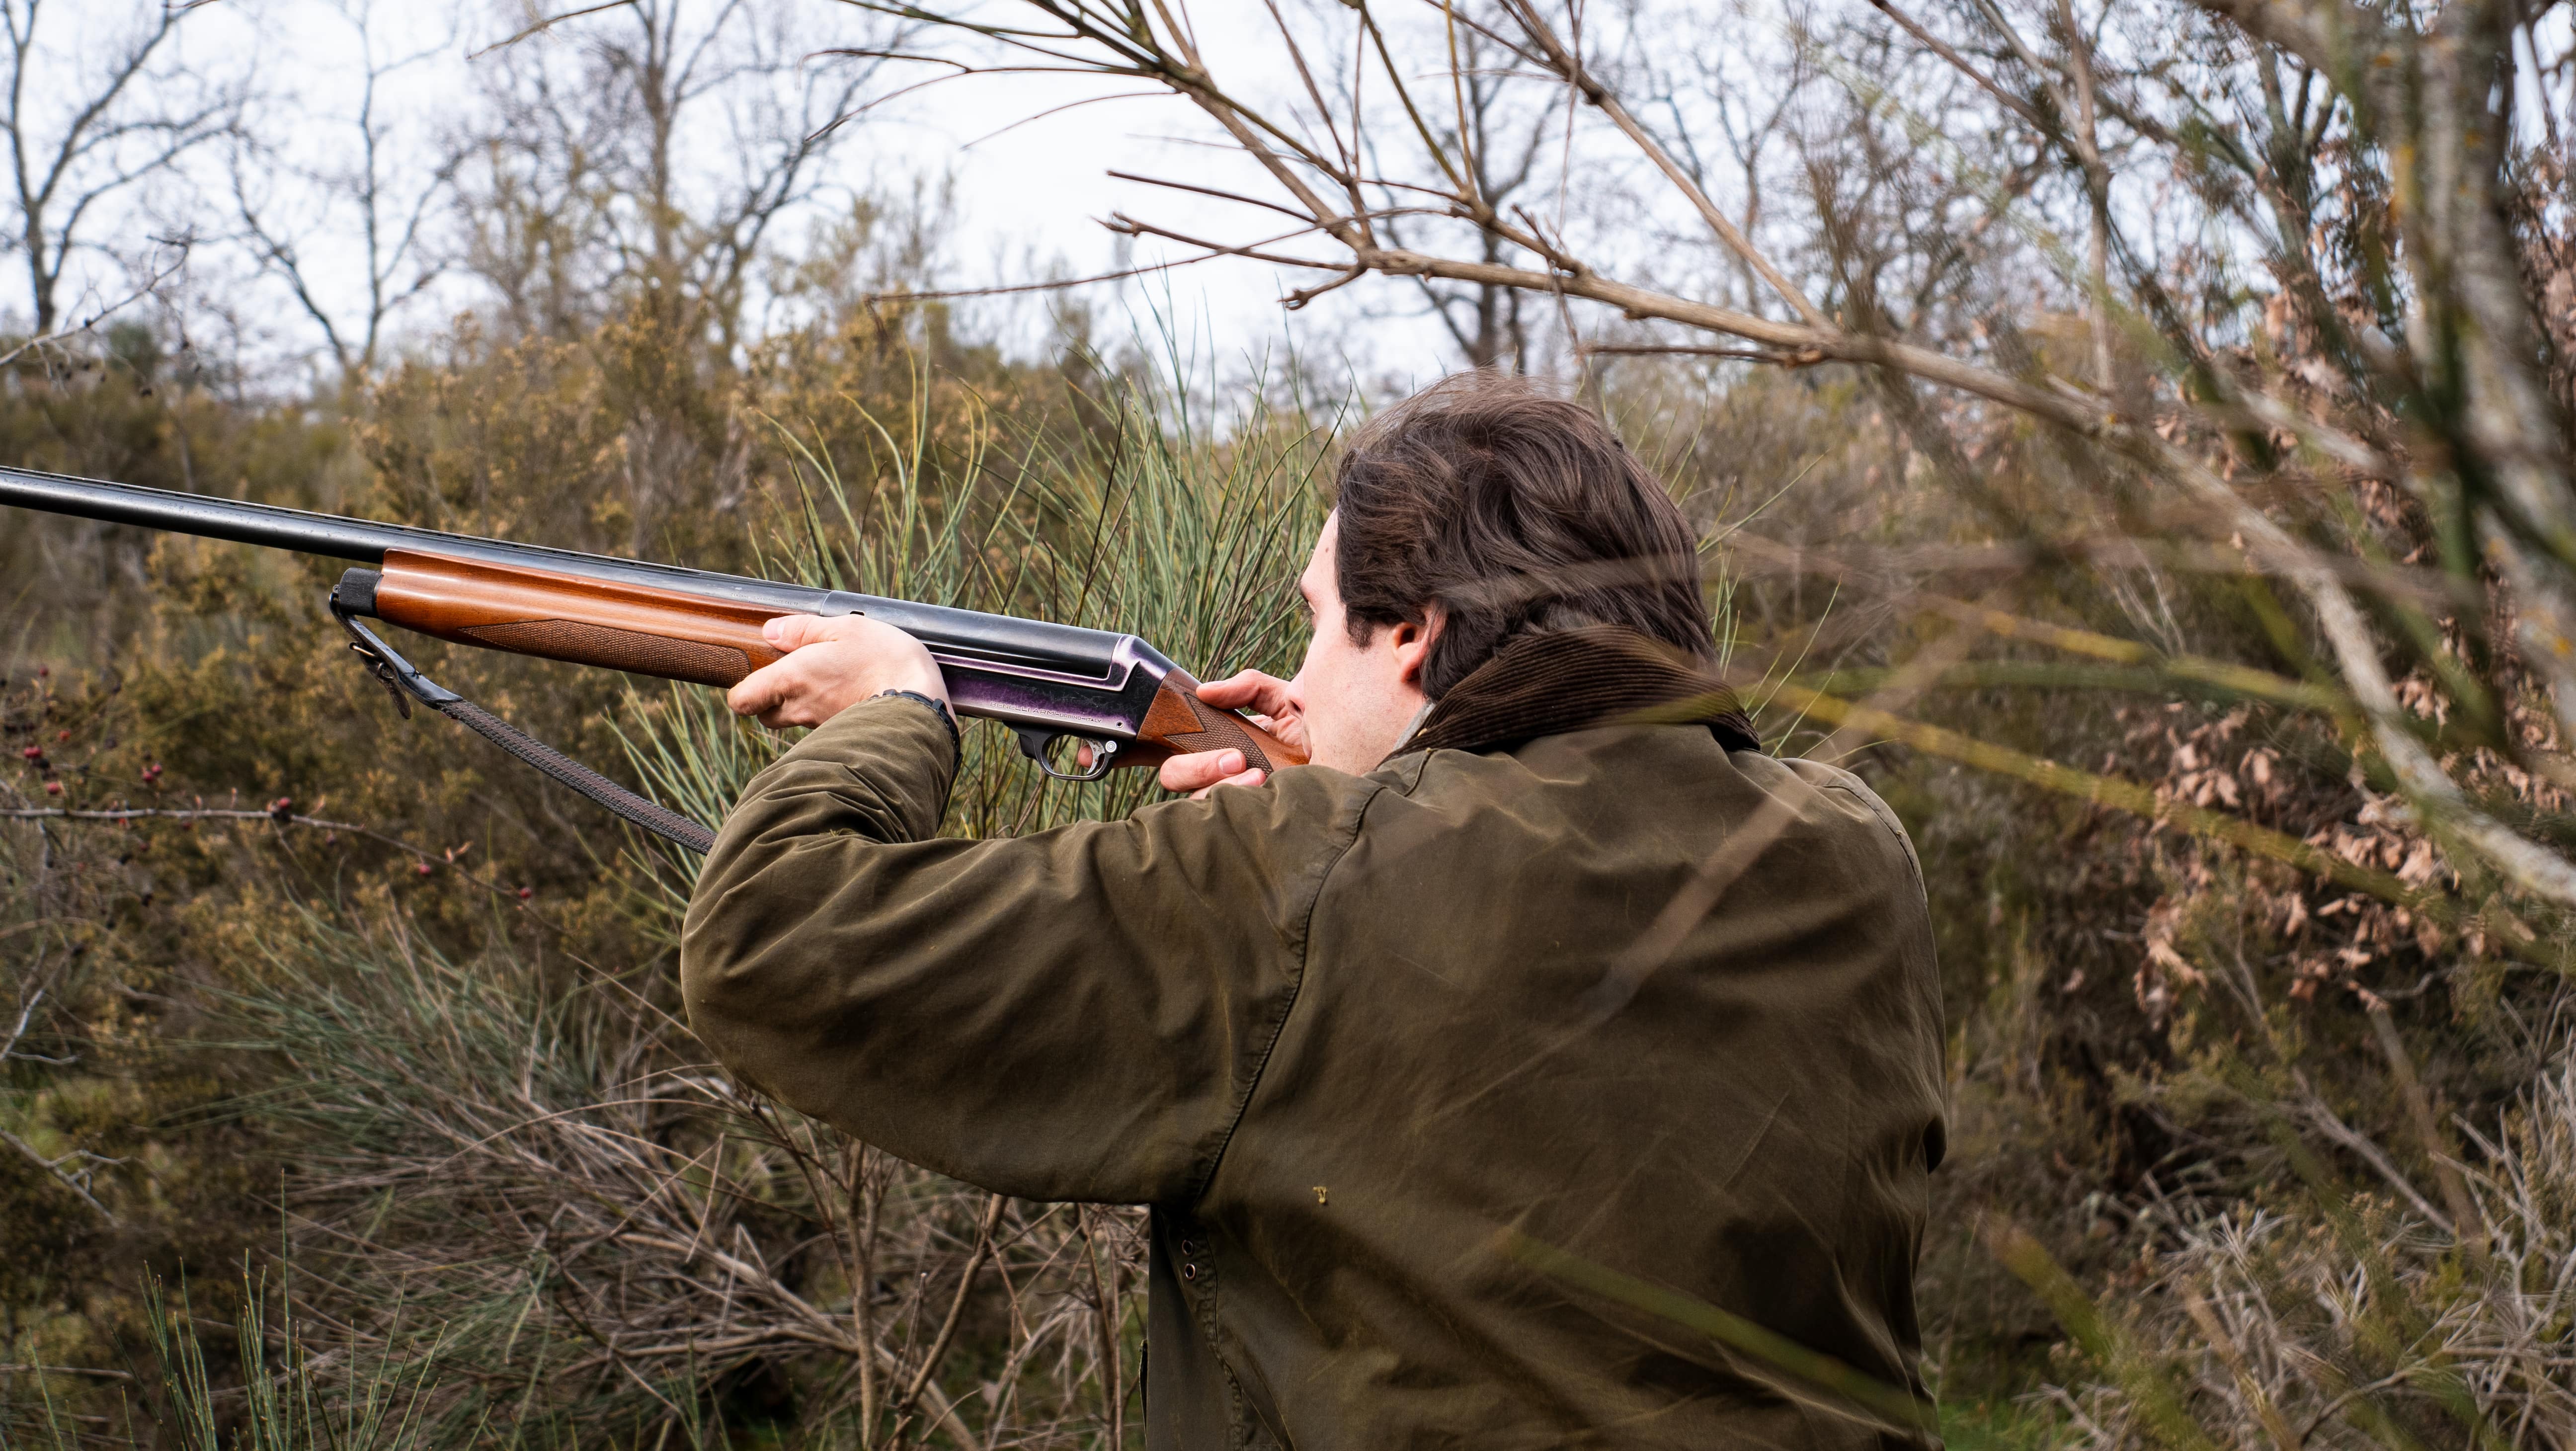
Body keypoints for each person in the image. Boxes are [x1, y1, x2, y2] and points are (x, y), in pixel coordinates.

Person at [681, 373, 1946, 1450]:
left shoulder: (1310, 867)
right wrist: (1363, 790)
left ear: (1413, 633)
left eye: (1314, 624)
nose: (1291, 676)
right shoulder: (1851, 852)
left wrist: (901, 711)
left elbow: (769, 935)